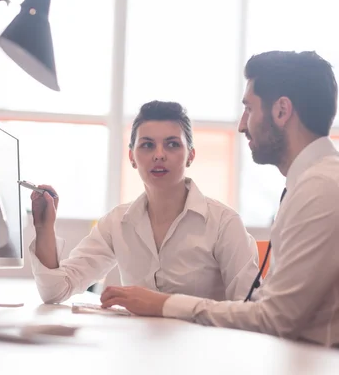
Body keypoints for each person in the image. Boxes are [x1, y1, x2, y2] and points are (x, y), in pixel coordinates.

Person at [100, 51, 339, 347]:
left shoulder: (321, 189)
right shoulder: (311, 184)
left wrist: (163, 304)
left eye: (249, 109)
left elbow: (275, 319)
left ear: (281, 111)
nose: (241, 125)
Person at [29, 101, 259, 304]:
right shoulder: (117, 223)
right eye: (147, 145)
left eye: (172, 144)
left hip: (203, 348)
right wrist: (44, 228)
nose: (159, 155)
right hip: (136, 347)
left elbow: (249, 310)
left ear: (190, 155)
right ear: (131, 157)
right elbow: (56, 291)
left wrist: (164, 304)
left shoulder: (223, 223)